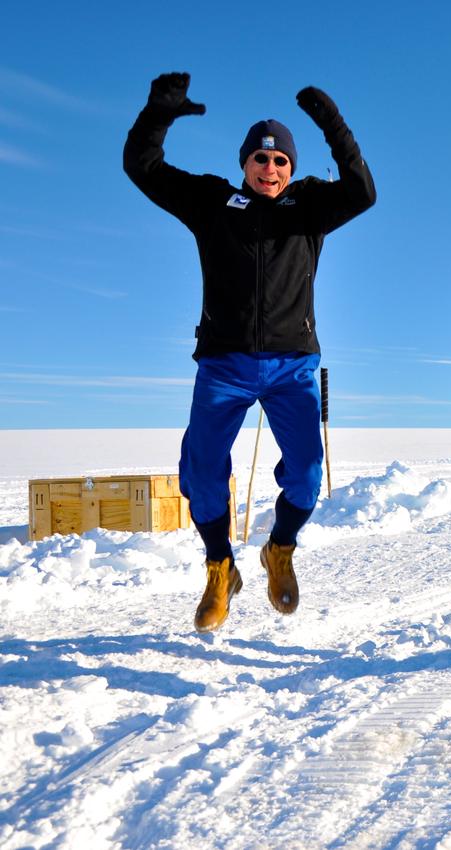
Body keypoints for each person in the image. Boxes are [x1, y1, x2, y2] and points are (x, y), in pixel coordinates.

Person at [123, 72, 376, 632]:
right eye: (261, 161)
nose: (271, 170)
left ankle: (278, 550)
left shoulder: (310, 206)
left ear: (291, 167)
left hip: (293, 366)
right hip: (224, 364)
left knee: (307, 474)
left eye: (281, 161)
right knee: (203, 470)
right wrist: (157, 114)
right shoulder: (213, 202)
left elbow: (363, 191)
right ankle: (220, 567)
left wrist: (333, 124)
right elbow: (142, 168)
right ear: (245, 164)